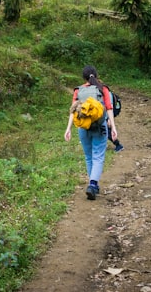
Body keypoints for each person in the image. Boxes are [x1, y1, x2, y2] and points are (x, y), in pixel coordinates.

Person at [64, 65, 118, 200]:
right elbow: (109, 108)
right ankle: (93, 185)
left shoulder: (78, 90)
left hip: (83, 128)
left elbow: (73, 110)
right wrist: (114, 127)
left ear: (83, 77)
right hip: (100, 127)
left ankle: (92, 184)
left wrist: (68, 128)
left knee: (89, 156)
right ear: (96, 75)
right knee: (98, 156)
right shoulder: (102, 89)